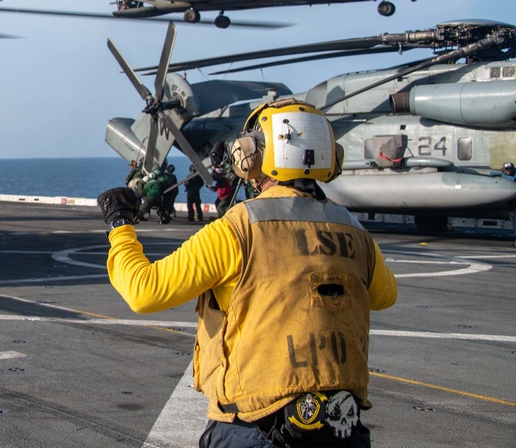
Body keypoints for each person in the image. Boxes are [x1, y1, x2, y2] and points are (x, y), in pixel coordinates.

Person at [97, 99, 398, 447]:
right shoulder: (354, 230)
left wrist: (120, 225)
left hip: (256, 427)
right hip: (340, 427)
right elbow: (385, 296)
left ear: (251, 155)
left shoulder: (239, 228)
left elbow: (144, 291)